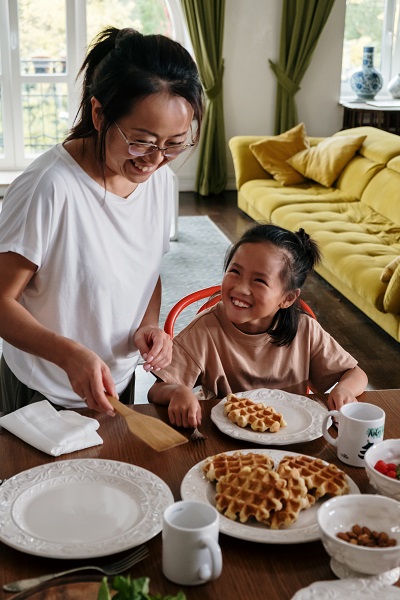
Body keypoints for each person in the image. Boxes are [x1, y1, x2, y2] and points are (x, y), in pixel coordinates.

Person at [0, 27, 204, 415]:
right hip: (44, 390)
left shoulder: (159, 179)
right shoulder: (49, 187)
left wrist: (149, 324)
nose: (155, 159)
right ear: (99, 113)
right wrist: (68, 355)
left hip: (116, 383)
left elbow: (147, 272)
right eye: (141, 140)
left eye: (174, 144)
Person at [148, 223, 368, 428]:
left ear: (288, 298)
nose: (241, 288)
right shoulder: (205, 329)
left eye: (259, 281)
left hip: (293, 436)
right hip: (224, 439)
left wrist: (345, 388)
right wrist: (177, 392)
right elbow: (158, 390)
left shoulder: (305, 330)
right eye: (235, 272)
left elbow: (356, 373)